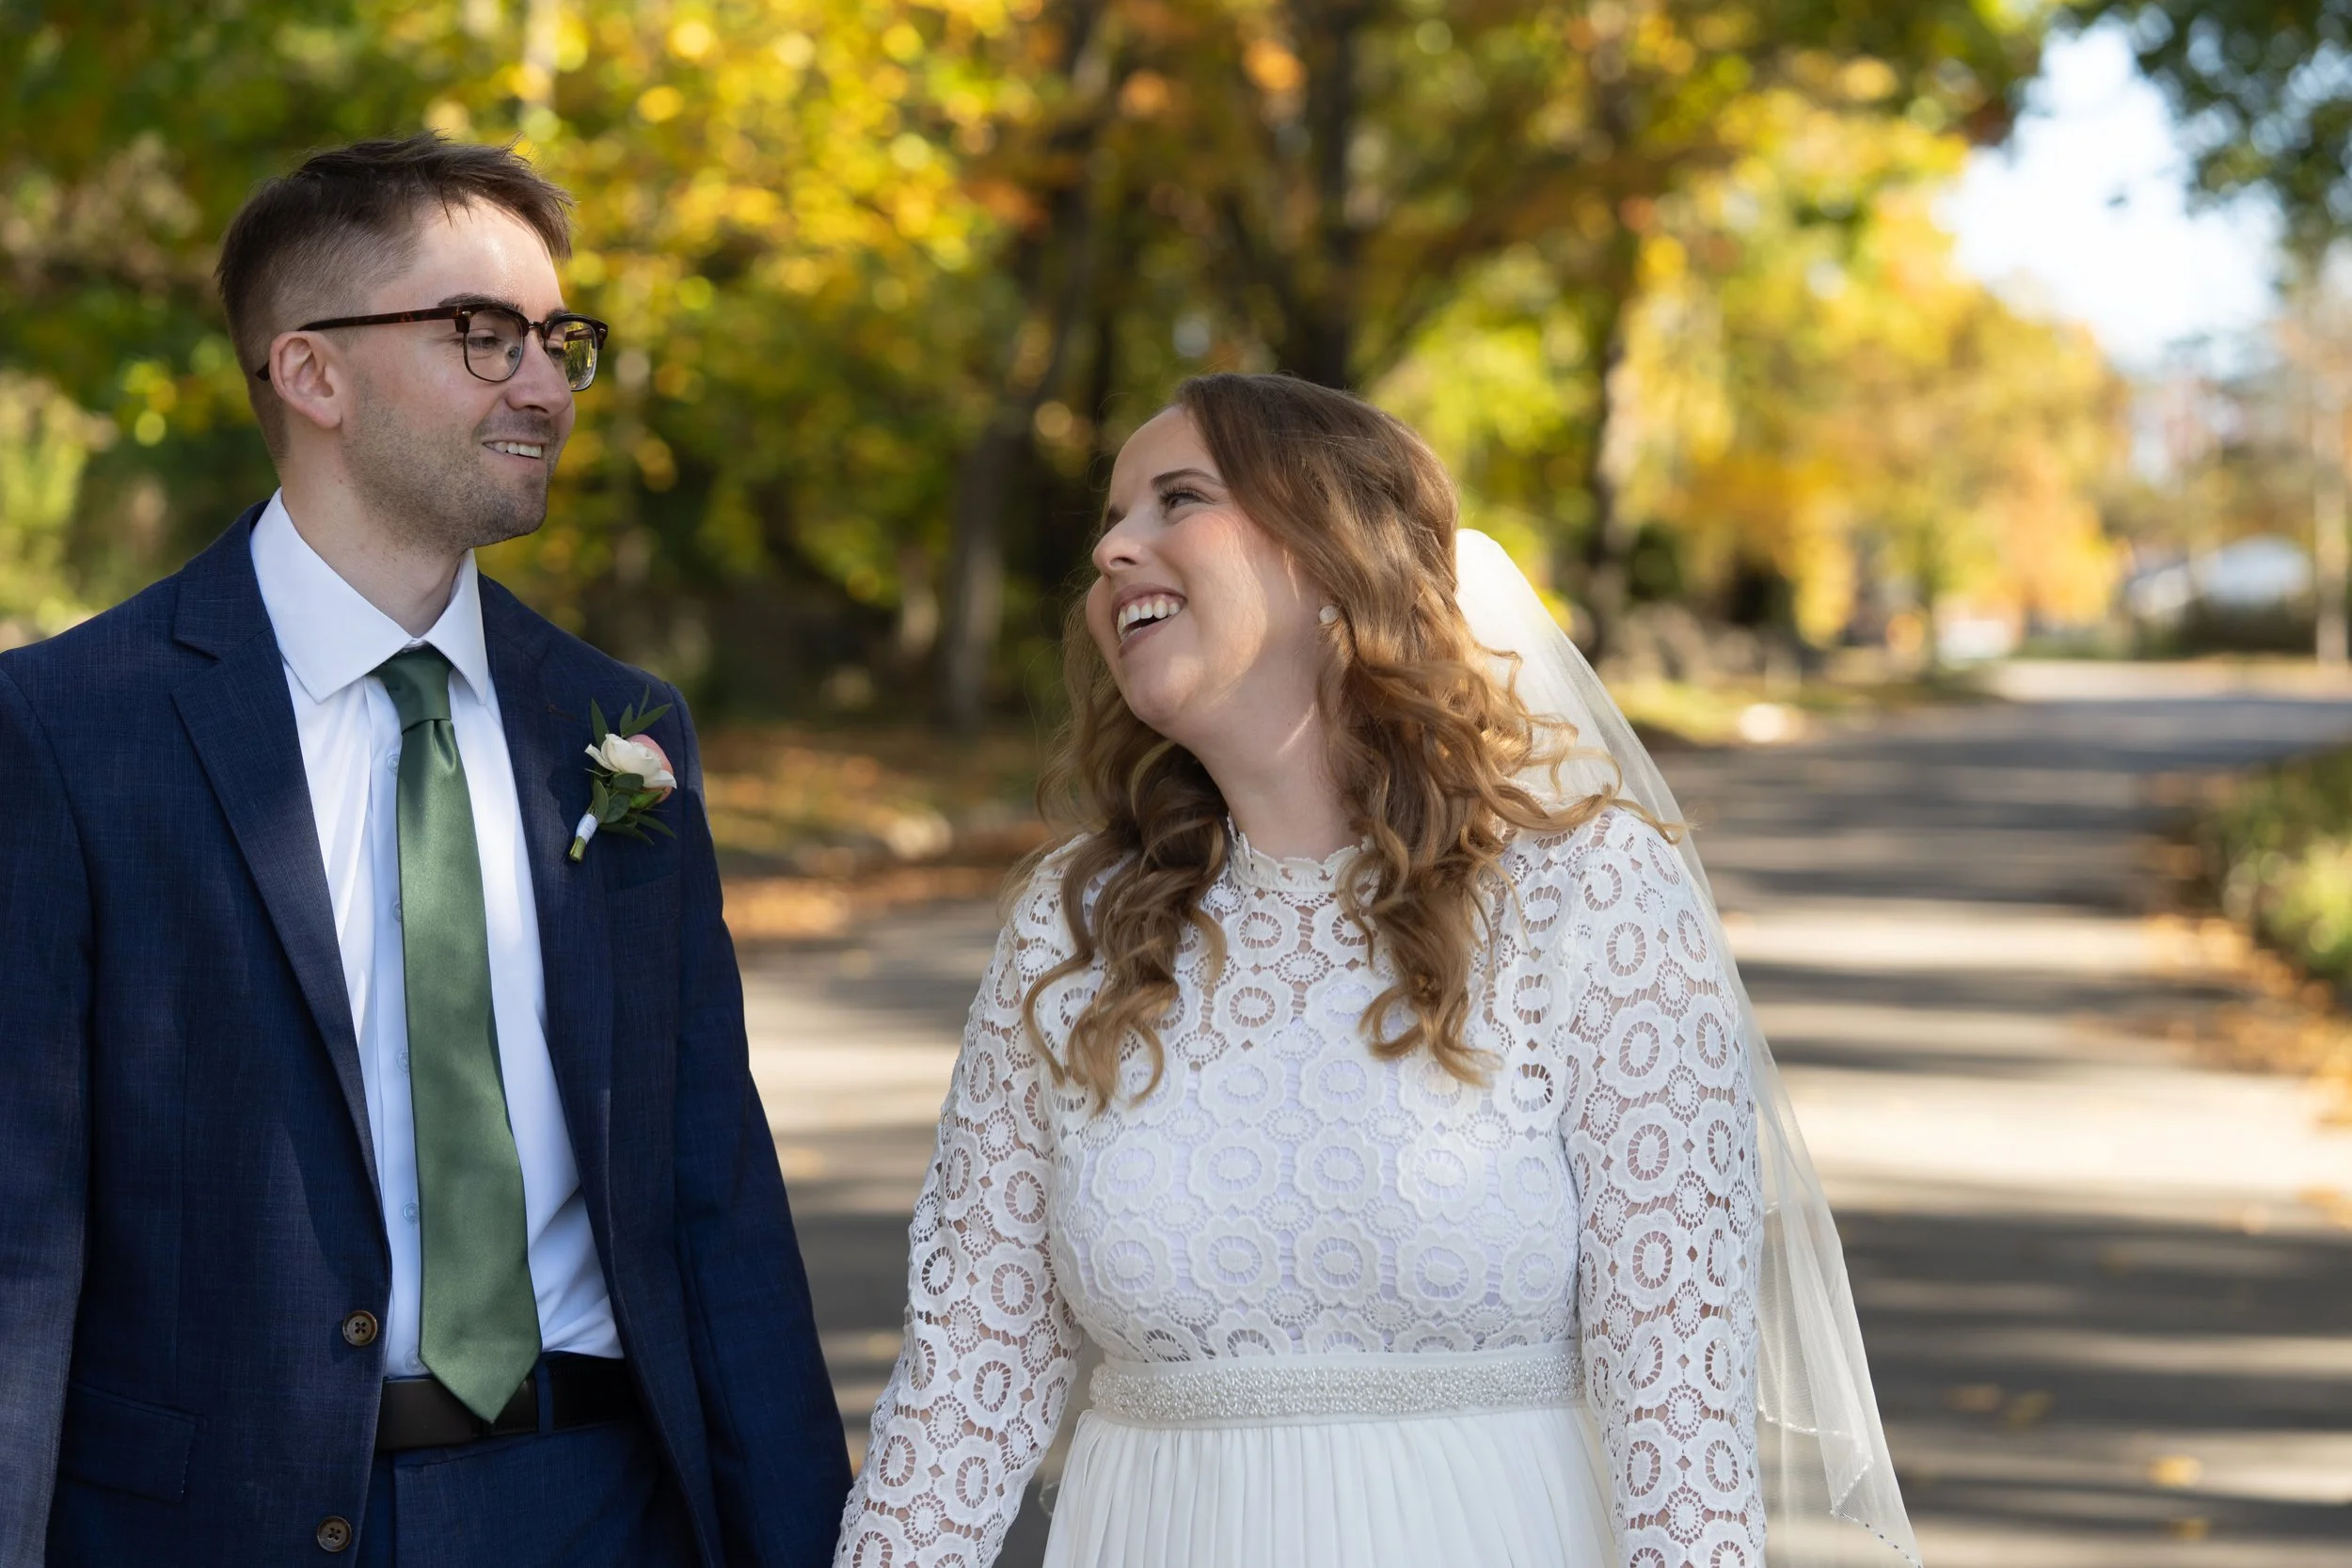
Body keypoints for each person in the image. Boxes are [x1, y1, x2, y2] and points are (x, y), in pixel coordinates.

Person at [833, 373, 1919, 1568]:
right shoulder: (1073, 925)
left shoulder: (1584, 894)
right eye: (1111, 516)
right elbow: (962, 1394)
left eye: (1175, 498)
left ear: (1328, 554)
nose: (1111, 548)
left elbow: (1678, 1422)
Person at [0, 134, 848, 1567]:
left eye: (556, 337)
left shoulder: (621, 726)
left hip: (597, 1507)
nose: (542, 382)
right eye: (480, 333)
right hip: (217, 1524)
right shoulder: (70, 726)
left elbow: (714, 1194)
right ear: (309, 372)